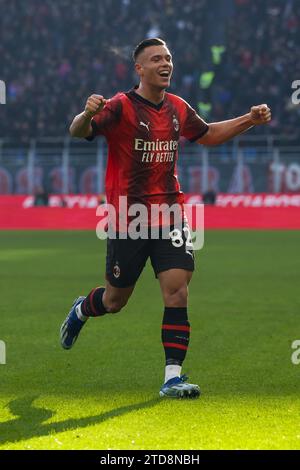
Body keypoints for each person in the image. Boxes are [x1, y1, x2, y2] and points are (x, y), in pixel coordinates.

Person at [60, 38, 271, 398]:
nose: (165, 63)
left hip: (171, 213)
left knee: (177, 292)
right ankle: (82, 309)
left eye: (169, 58)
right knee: (114, 301)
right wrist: (87, 113)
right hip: (130, 218)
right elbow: (78, 131)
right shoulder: (120, 107)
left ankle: (172, 378)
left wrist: (249, 120)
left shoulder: (177, 107)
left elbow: (207, 135)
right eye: (156, 59)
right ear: (139, 68)